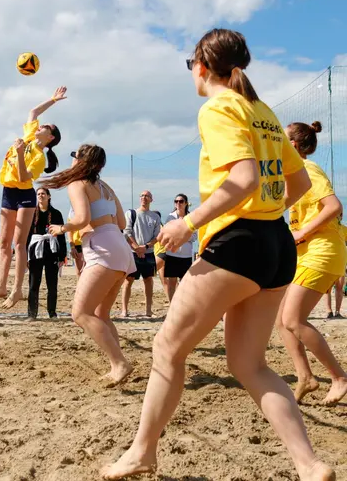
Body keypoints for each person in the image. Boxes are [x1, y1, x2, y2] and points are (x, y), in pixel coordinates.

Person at [100, 29, 335, 481]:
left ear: (202, 67)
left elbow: (244, 178)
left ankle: (142, 452)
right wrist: (264, 216)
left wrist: (187, 223)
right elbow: (299, 184)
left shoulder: (218, 107)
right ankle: (309, 465)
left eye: (190, 65)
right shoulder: (262, 111)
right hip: (277, 245)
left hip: (238, 245)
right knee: (250, 365)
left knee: (167, 348)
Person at [44, 145, 136, 385]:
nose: (72, 161)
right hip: (120, 248)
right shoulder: (106, 187)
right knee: (102, 314)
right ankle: (118, 363)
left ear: (82, 161)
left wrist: (61, 228)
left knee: (80, 313)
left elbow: (82, 218)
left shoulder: (77, 184)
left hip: (102, 248)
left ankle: (120, 363)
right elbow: (122, 220)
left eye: (75, 157)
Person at [275, 121, 347, 406]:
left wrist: (302, 233)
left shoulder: (309, 169)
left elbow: (334, 206)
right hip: (307, 253)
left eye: (280, 139)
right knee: (282, 320)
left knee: (293, 319)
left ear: (292, 146)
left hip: (323, 250)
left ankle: (339, 377)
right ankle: (305, 376)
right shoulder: (293, 176)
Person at [0, 86, 67, 308]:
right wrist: (53, 99)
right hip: (8, 191)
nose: (42, 125)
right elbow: (33, 112)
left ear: (49, 138)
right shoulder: (30, 135)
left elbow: (22, 177)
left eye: (47, 127)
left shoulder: (39, 157)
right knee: (3, 242)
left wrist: (20, 153)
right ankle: (1, 286)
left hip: (24, 194)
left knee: (19, 244)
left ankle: (17, 290)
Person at [27, 187, 67, 319]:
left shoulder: (56, 213)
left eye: (43, 194)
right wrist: (25, 255)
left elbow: (61, 235)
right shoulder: (31, 213)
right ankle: (32, 313)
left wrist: (62, 255)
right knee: (33, 283)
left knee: (52, 284)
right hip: (35, 250)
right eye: (38, 194)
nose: (40, 196)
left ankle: (52, 312)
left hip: (51, 250)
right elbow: (27, 235)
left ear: (49, 196)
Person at [121, 191, 161, 317]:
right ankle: (124, 310)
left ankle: (148, 310)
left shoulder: (155, 217)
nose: (144, 198)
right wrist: (137, 248)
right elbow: (127, 232)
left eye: (147, 196)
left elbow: (158, 236)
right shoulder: (131, 213)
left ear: (151, 199)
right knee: (129, 280)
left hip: (148, 253)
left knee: (148, 280)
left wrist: (146, 247)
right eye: (142, 196)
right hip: (133, 252)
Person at [163, 194, 196, 302]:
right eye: (176, 201)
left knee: (185, 283)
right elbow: (167, 234)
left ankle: (183, 304)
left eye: (181, 201)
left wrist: (181, 237)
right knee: (171, 281)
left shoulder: (191, 217)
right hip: (172, 254)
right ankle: (172, 305)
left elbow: (194, 236)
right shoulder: (170, 217)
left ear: (186, 203)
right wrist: (184, 235)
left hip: (186, 255)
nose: (178, 204)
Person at [68, 210, 85, 277]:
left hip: (89, 243)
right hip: (77, 244)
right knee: (80, 272)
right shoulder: (72, 211)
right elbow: (69, 231)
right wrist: (72, 247)